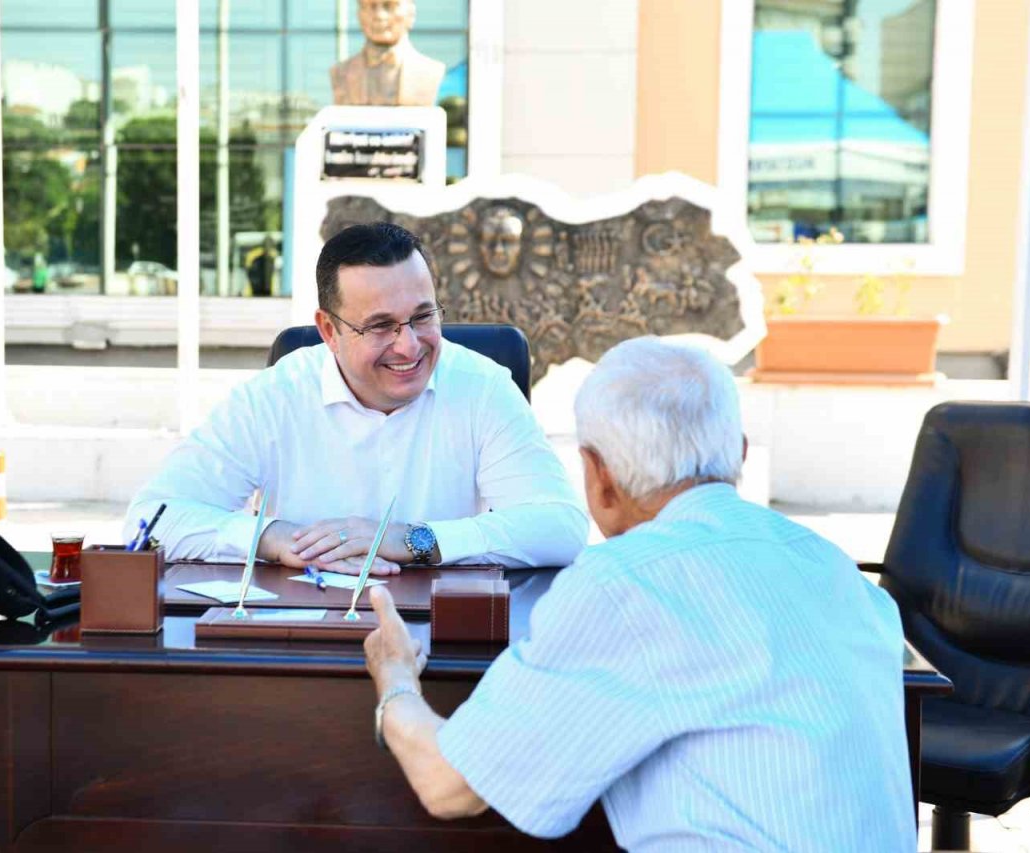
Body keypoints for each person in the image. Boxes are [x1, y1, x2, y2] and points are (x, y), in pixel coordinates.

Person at [363, 336, 914, 849]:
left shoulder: (625, 583)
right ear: (739, 454)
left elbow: (447, 786)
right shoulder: (838, 570)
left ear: (598, 475)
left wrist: (395, 679)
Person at [125, 222, 587, 575]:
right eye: (381, 326)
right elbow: (149, 522)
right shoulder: (276, 395)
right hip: (303, 636)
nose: (409, 345)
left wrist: (413, 540)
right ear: (329, 330)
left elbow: (561, 527)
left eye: (423, 317)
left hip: (440, 638)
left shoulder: (482, 387)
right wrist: (271, 538)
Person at [330, 0, 446, 107]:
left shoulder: (429, 71)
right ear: (359, 15)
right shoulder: (341, 73)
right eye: (371, 6)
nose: (379, 16)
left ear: (411, 14)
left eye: (389, 5)